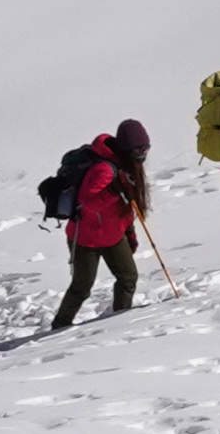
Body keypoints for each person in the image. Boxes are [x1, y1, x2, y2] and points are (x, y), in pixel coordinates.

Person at [53, 120, 153, 329]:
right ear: (127, 149)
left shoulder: (128, 167)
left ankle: (119, 320)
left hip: (114, 235)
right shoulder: (104, 170)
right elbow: (87, 203)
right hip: (86, 239)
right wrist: (114, 191)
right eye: (139, 149)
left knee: (128, 278)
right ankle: (59, 327)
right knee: (82, 287)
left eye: (146, 148)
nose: (143, 154)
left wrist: (130, 232)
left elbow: (125, 208)